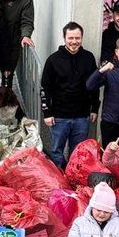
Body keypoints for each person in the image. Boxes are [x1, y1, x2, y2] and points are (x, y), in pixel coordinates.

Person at [40, 22, 97, 169]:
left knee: (77, 152)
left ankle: (73, 177)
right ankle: (59, 177)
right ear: (64, 38)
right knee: (56, 151)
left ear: (81, 38)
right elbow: (45, 88)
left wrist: (94, 109)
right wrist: (47, 112)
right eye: (70, 38)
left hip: (82, 116)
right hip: (59, 116)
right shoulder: (53, 60)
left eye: (77, 38)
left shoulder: (89, 58)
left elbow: (94, 85)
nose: (74, 42)